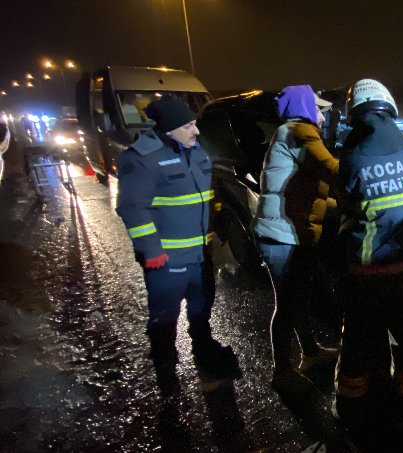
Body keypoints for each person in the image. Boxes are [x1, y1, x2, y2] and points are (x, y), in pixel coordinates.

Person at [116, 97, 238, 397]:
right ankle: (167, 382)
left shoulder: (195, 152)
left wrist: (217, 230)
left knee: (200, 314)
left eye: (195, 123)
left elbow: (206, 197)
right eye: (188, 125)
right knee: (164, 323)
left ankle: (206, 364)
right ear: (168, 130)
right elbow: (132, 207)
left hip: (199, 256)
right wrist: (152, 250)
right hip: (166, 262)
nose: (196, 131)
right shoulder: (141, 157)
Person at [333, 79, 403, 430]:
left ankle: (351, 409)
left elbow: (345, 200)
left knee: (359, 341)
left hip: (368, 272)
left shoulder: (352, 159)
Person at [252, 85, 339, 389]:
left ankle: (311, 353)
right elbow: (332, 170)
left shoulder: (287, 132)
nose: (323, 116)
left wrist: (339, 207)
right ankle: (281, 371)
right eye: (318, 109)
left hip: (281, 229)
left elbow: (304, 188)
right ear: (304, 106)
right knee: (287, 302)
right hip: (281, 234)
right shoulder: (300, 131)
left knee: (296, 296)